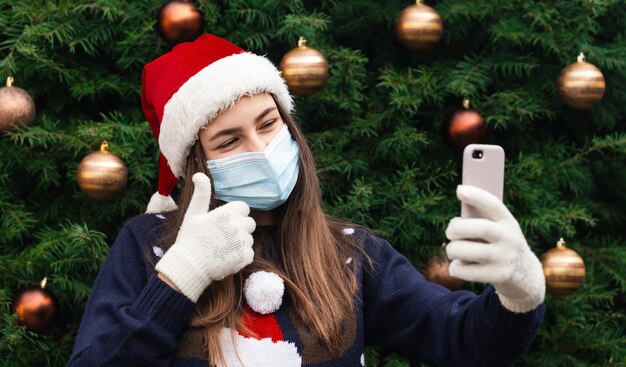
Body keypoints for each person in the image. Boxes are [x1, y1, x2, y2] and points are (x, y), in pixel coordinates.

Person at [68, 33, 545, 367]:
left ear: (290, 127)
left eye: (268, 123)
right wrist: (179, 279)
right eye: (228, 141)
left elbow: (465, 342)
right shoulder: (146, 247)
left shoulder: (353, 255)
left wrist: (519, 291)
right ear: (199, 166)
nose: (259, 148)